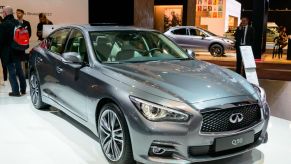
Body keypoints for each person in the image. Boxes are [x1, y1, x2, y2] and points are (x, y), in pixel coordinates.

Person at [0, 6, 27, 96]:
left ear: (6, 13)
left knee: (11, 71)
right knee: (19, 70)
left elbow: (1, 40)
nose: (2, 14)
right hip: (19, 50)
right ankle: (23, 89)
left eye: (3, 12)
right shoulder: (19, 23)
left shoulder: (3, 25)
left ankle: (15, 91)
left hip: (8, 52)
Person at [0, 16, 8, 85]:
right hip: (3, 48)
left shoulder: (3, 27)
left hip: (3, 49)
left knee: (4, 64)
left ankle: (5, 79)